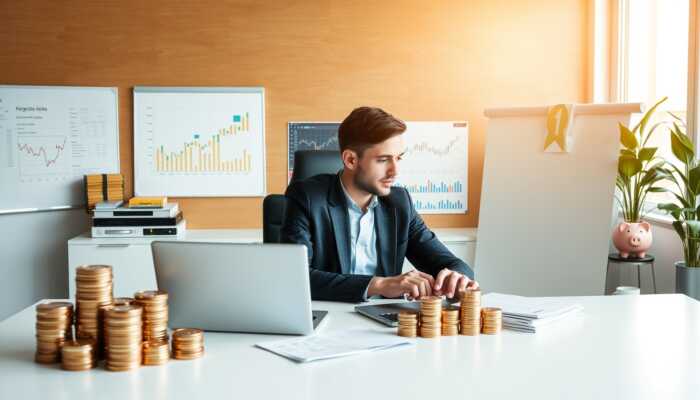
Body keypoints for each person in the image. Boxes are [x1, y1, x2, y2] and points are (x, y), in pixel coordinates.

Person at [281, 106, 478, 302]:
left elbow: (449, 261)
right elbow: (295, 278)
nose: (395, 171)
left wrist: (457, 276)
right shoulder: (306, 198)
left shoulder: (399, 204)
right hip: (329, 318)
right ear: (351, 160)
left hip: (382, 322)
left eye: (398, 158)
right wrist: (379, 285)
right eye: (383, 160)